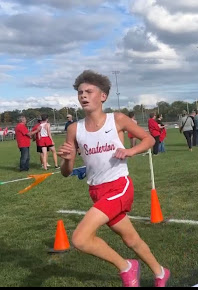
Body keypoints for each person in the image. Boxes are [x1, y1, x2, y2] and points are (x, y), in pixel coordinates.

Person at [56, 70, 170, 287]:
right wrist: (68, 160)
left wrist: (130, 151)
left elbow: (149, 139)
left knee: (80, 238)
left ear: (103, 96)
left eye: (89, 91)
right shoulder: (74, 129)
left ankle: (127, 267)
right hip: (96, 191)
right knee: (131, 239)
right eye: (80, 92)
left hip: (119, 186)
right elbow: (66, 172)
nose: (83, 96)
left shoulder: (116, 119)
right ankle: (160, 272)